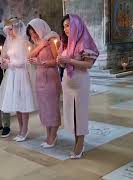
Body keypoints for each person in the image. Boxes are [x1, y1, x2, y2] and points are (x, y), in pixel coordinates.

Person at [56, 14, 99, 159]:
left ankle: (80, 142)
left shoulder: (84, 41)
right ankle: (76, 140)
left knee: (80, 113)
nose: (65, 29)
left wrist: (69, 60)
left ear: (77, 25)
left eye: (68, 25)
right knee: (71, 113)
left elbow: (88, 64)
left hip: (80, 82)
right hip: (67, 83)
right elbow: (64, 64)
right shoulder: (66, 42)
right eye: (64, 26)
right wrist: (61, 61)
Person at [0, 17, 36, 141]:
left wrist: (11, 63)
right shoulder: (10, 41)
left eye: (11, 30)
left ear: (17, 28)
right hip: (12, 74)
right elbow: (6, 56)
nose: (9, 33)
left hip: (21, 74)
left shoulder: (24, 42)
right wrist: (3, 60)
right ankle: (20, 128)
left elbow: (26, 61)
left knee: (23, 102)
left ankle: (25, 129)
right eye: (7, 30)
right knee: (16, 103)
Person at [27, 18, 62, 148]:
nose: (33, 36)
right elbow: (29, 56)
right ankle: (49, 135)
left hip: (51, 78)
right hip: (40, 78)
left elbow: (58, 60)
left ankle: (53, 136)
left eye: (34, 32)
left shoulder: (52, 40)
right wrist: (40, 45)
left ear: (40, 29)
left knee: (52, 108)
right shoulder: (39, 43)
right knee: (44, 108)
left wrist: (42, 62)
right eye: (30, 33)